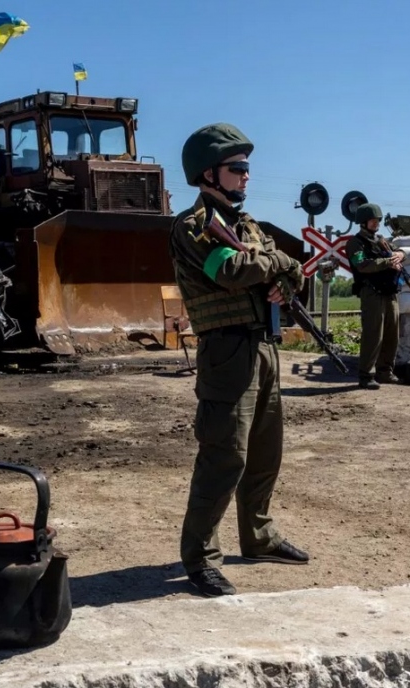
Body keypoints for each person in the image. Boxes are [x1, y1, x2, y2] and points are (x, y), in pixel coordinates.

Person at [168, 123, 310, 598]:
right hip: (227, 352)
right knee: (224, 456)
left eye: (248, 168)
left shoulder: (245, 227)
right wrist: (279, 263)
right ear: (209, 174)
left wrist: (285, 277)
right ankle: (201, 558)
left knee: (267, 453)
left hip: (265, 347)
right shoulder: (192, 228)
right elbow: (230, 271)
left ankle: (259, 537)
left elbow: (289, 276)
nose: (247, 176)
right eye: (238, 168)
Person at [347, 203, 405, 389]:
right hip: (372, 293)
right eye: (372, 220)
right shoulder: (355, 243)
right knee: (373, 335)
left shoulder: (382, 241)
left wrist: (399, 255)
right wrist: (388, 262)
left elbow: (401, 251)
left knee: (392, 334)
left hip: (390, 292)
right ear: (363, 222)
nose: (375, 223)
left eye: (377, 220)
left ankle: (385, 372)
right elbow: (362, 264)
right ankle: (366, 375)